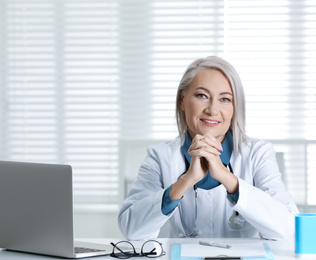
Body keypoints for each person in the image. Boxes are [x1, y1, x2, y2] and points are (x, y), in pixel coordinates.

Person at [117, 56, 299, 241]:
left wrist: (228, 179)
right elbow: (132, 229)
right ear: (182, 100)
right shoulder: (160, 156)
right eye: (202, 96)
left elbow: (288, 229)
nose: (212, 110)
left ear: (235, 107)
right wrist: (186, 180)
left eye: (225, 99)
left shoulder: (257, 153)